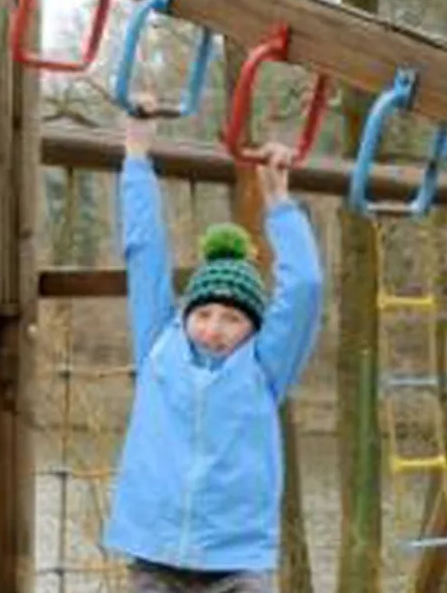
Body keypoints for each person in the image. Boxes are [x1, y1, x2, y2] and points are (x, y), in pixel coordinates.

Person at [103, 104, 324, 592]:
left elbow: (305, 286)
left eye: (232, 318)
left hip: (237, 562)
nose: (214, 328)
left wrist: (279, 202)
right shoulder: (159, 344)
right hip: (155, 552)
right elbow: (144, 251)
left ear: (254, 326)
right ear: (186, 315)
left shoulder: (265, 368)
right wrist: (137, 152)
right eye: (203, 314)